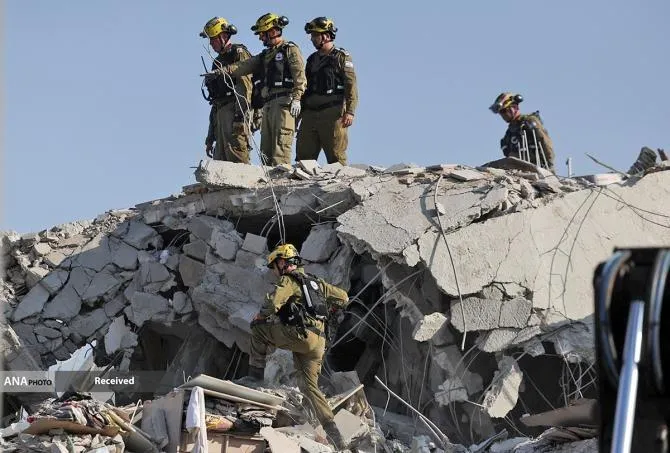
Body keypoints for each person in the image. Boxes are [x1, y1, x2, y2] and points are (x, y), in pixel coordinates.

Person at [241, 243, 350, 449]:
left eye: (275, 266)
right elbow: (343, 297)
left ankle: (254, 378)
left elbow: (273, 303)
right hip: (319, 342)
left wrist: (260, 316)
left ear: (283, 262)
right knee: (310, 387)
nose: (274, 272)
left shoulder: (288, 280)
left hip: (301, 336)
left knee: (259, 330)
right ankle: (335, 436)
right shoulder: (316, 283)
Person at [211, 13, 306, 166]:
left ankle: (281, 180)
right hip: (267, 105)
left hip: (284, 104)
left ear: (272, 32)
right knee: (265, 154)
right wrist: (223, 71)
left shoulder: (290, 50)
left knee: (280, 149)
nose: (261, 38)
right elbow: (244, 66)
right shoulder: (264, 55)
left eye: (262, 34)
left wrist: (297, 98)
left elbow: (300, 76)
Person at [295, 17, 358, 165]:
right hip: (310, 114)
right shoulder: (312, 59)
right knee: (303, 159)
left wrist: (350, 111)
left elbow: (351, 85)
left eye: (315, 35)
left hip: (332, 113)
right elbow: (306, 88)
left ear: (326, 36)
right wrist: (299, 116)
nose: (312, 39)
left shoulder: (341, 57)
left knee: (336, 157)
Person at [200, 17, 253, 163]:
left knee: (237, 158)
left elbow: (246, 86)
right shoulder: (217, 62)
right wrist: (210, 137)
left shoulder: (238, 53)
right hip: (220, 117)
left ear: (223, 36)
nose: (211, 43)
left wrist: (240, 117)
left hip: (235, 112)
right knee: (220, 166)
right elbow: (215, 102)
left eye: (213, 39)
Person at [489, 92, 555, 171]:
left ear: (515, 107)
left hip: (537, 168)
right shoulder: (509, 133)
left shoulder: (529, 122)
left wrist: (550, 168)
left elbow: (545, 143)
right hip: (519, 170)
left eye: (504, 111)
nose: (503, 115)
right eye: (501, 113)